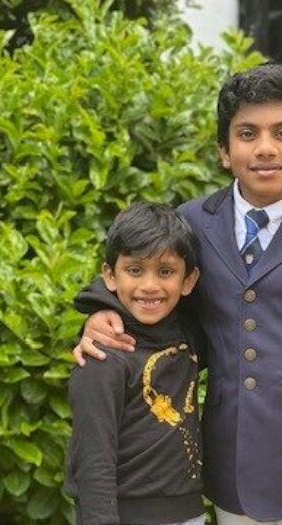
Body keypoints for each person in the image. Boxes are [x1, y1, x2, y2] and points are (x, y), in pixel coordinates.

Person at [73, 64, 282, 525]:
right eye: (247, 133)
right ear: (224, 151)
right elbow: (141, 271)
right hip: (222, 472)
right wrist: (100, 311)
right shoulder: (193, 221)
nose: (264, 148)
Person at [64, 202, 205, 525]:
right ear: (110, 275)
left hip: (189, 513)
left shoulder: (189, 335)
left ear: (188, 280)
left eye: (166, 271)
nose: (150, 286)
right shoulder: (103, 357)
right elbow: (94, 456)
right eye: (135, 270)